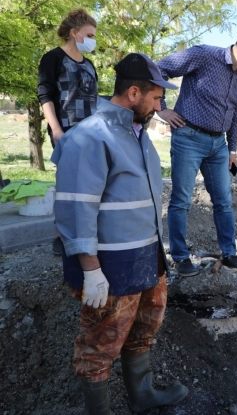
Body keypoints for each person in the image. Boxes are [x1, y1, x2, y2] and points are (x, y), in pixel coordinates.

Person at [52, 53, 187, 414]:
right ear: (132, 93)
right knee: (99, 345)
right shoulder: (90, 138)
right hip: (110, 265)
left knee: (143, 331)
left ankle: (141, 397)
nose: (161, 106)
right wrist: (91, 269)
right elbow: (76, 207)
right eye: (157, 98)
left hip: (146, 258)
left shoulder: (137, 134)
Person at [157, 28, 237, 277]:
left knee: (224, 201)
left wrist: (232, 149)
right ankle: (180, 257)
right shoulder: (203, 55)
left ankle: (229, 253)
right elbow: (159, 69)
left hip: (218, 145)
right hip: (188, 137)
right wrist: (161, 108)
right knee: (182, 200)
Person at [37, 8, 98, 256]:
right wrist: (56, 129)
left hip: (92, 134)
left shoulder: (90, 64)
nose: (93, 40)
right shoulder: (53, 58)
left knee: (91, 184)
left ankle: (87, 233)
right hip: (67, 132)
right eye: (90, 34)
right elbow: (45, 95)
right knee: (68, 184)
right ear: (74, 33)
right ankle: (59, 236)